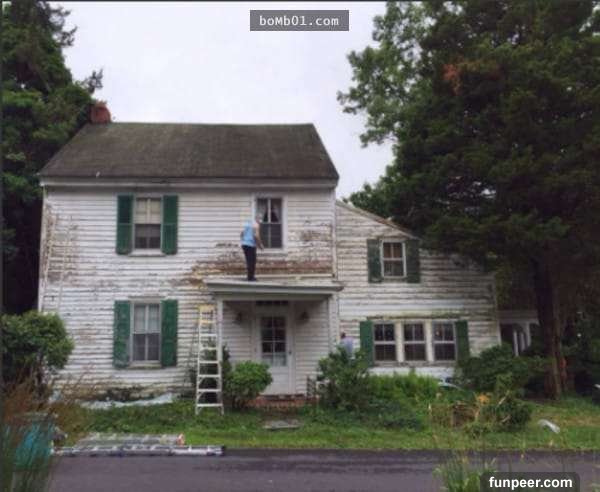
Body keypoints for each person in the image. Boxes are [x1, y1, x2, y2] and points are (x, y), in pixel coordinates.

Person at [240, 214, 264, 281]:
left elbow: (241, 233)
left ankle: (249, 277)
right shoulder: (256, 225)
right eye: (260, 219)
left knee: (248, 261)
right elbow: (256, 236)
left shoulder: (248, 224)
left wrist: (243, 240)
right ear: (257, 218)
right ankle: (251, 278)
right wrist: (260, 245)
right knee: (252, 261)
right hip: (250, 245)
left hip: (244, 245)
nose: (261, 221)